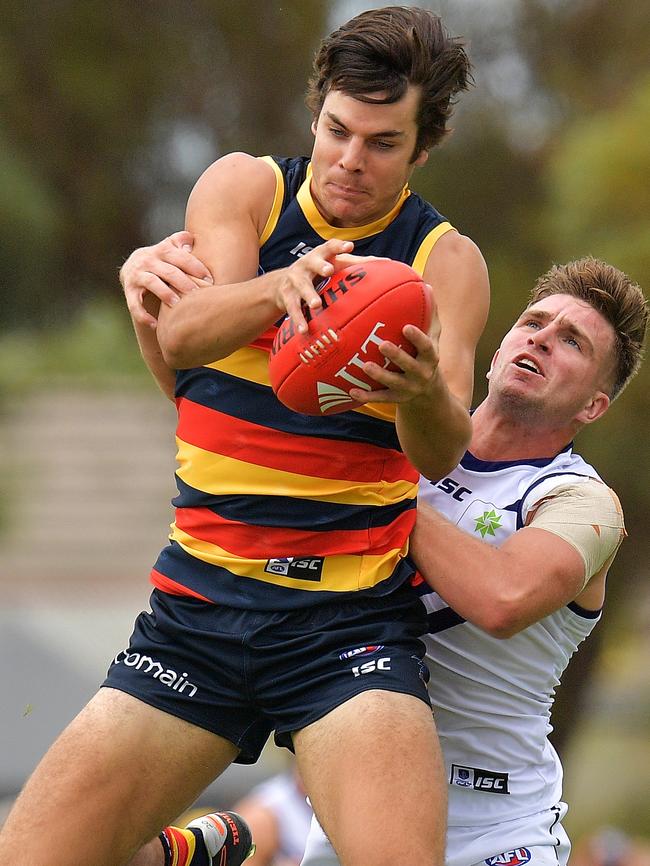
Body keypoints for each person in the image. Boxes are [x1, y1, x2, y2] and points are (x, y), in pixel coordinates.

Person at [0, 8, 489, 866]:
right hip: (199, 611)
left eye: (382, 143)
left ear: (424, 147)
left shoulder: (444, 264)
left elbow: (442, 450)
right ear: (315, 114)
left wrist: (417, 394)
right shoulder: (246, 191)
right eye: (338, 130)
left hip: (346, 630)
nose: (350, 159)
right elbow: (185, 336)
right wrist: (283, 286)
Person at [297, 257, 648, 866]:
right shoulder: (395, 438)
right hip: (363, 801)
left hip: (495, 829)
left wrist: (377, 483)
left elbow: (502, 599)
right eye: (534, 322)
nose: (542, 336)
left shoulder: (581, 501)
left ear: (592, 407)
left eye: (572, 341)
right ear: (497, 349)